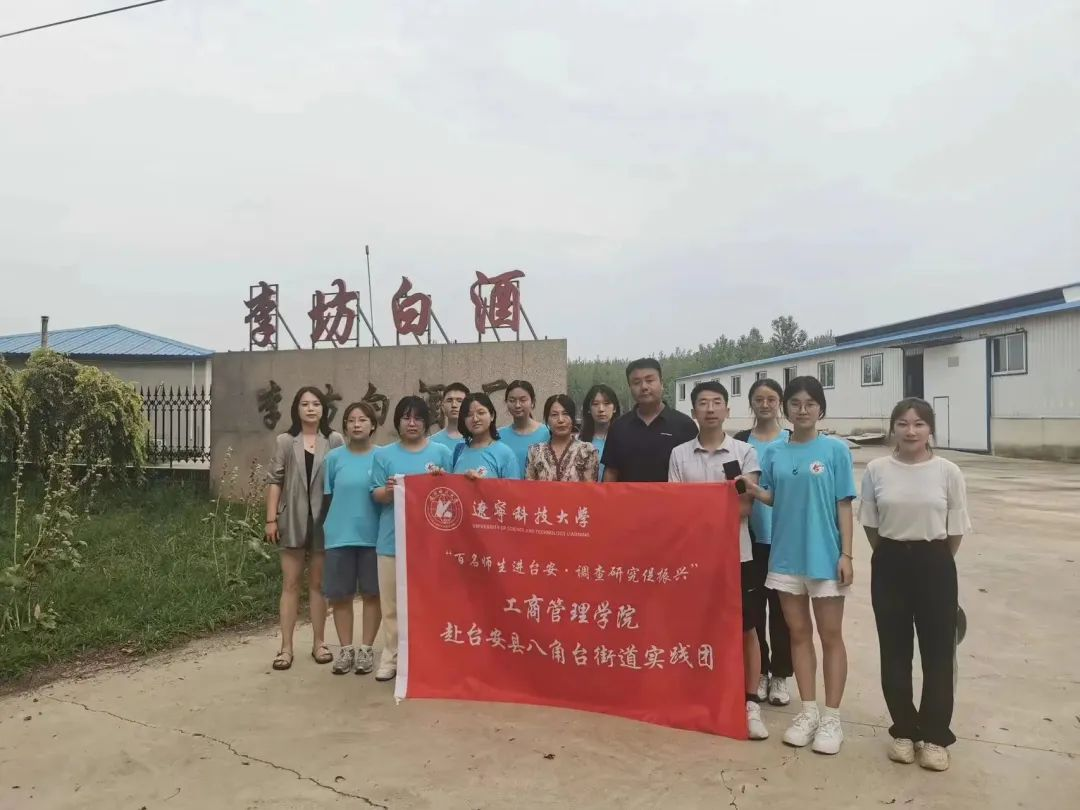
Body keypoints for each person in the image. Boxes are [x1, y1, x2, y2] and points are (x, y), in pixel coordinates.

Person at [740, 376, 856, 755]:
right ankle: (808, 712)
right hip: (786, 557)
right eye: (796, 403)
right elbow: (775, 496)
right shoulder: (774, 452)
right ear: (786, 409)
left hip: (825, 557)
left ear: (821, 408)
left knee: (830, 636)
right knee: (798, 635)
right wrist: (754, 491)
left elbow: (843, 504)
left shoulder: (835, 450)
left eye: (810, 403)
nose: (802, 410)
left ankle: (832, 718)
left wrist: (846, 554)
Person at [860, 398, 970, 772]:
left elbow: (955, 528)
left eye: (919, 424)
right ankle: (904, 732)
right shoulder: (876, 469)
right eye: (903, 424)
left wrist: (933, 559)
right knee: (894, 651)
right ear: (893, 427)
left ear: (930, 429)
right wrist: (892, 553)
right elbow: (871, 523)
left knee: (938, 653)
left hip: (935, 563)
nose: (911, 431)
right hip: (889, 561)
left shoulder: (948, 471)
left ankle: (935, 736)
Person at [669, 381, 767, 740]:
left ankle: (750, 702)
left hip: (738, 555)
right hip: (694, 557)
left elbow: (744, 507)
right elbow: (677, 508)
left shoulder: (744, 452)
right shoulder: (679, 454)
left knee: (745, 627)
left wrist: (701, 507)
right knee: (697, 624)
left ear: (727, 409)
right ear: (693, 411)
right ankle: (701, 695)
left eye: (716, 402)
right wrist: (711, 506)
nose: (710, 409)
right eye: (703, 403)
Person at [370, 396, 453, 682]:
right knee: (391, 605)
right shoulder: (383, 455)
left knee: (430, 602)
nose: (412, 423)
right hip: (391, 541)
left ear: (427, 422)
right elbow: (375, 494)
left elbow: (451, 495)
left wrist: (442, 480)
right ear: (398, 422)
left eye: (418, 418)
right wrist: (388, 491)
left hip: (431, 544)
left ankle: (429, 656)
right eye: (406, 418)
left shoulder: (442, 453)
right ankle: (391, 657)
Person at [265, 386, 344, 671]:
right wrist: (271, 519)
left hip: (325, 520)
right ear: (296, 409)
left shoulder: (334, 440)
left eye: (316, 404)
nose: (311, 408)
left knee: (319, 585)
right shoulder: (286, 441)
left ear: (324, 409)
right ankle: (285, 648)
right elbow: (275, 480)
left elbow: (342, 477)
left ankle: (319, 643)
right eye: (305, 404)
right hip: (292, 520)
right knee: (290, 584)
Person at [734, 378, 794, 707]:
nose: (765, 404)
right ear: (751, 404)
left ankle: (781, 674)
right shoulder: (741, 442)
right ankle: (760, 670)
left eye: (772, 399)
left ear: (779, 402)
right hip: (751, 539)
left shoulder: (791, 440)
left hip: (785, 540)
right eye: (759, 399)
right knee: (754, 610)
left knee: (784, 612)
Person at [318, 401, 382, 676]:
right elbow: (328, 496)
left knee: (372, 594)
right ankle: (345, 649)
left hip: (374, 536)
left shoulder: (383, 456)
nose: (357, 425)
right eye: (351, 420)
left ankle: (366, 649)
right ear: (344, 426)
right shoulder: (333, 458)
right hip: (339, 536)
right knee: (340, 595)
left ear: (373, 425)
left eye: (363, 420)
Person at [601, 358, 697, 483]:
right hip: (627, 496)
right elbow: (611, 472)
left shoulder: (684, 425)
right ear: (630, 387)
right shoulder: (619, 427)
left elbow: (694, 471)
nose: (644, 387)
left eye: (650, 380)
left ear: (662, 383)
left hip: (671, 495)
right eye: (636, 382)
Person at [526, 394, 600, 482]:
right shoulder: (535, 451)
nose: (560, 420)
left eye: (566, 414)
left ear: (573, 418)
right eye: (554, 415)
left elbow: (590, 488)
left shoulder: (587, 451)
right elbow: (529, 487)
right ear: (547, 420)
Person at [451, 392, 520, 479]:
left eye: (481, 413)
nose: (475, 419)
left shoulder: (505, 454)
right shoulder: (458, 451)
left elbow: (513, 487)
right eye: (469, 415)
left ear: (492, 416)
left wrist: (482, 484)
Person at [499, 380, 550, 475]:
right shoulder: (499, 435)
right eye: (512, 400)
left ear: (532, 402)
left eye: (523, 400)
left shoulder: (547, 433)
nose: (517, 405)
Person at [579, 384, 621, 482]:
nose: (601, 409)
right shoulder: (579, 441)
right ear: (588, 409)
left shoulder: (622, 439)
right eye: (595, 404)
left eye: (606, 403)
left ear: (614, 408)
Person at [430, 383, 470, 452]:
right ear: (442, 406)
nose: (454, 405)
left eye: (459, 401)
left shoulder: (478, 440)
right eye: (449, 400)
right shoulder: (431, 443)